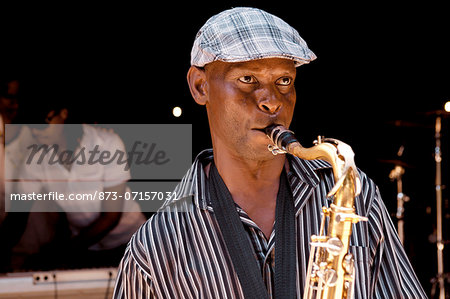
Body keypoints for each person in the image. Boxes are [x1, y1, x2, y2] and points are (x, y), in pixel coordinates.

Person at [113, 7, 427, 298]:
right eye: (247, 79)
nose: (271, 101)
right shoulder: (155, 248)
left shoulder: (353, 194)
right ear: (200, 86)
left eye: (284, 80)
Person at [15, 101, 146, 269]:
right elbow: (17, 217)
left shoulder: (106, 142)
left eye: (44, 122)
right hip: (87, 247)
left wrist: (60, 253)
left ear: (63, 113)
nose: (36, 131)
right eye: (31, 125)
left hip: (131, 242)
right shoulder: (34, 160)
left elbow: (111, 217)